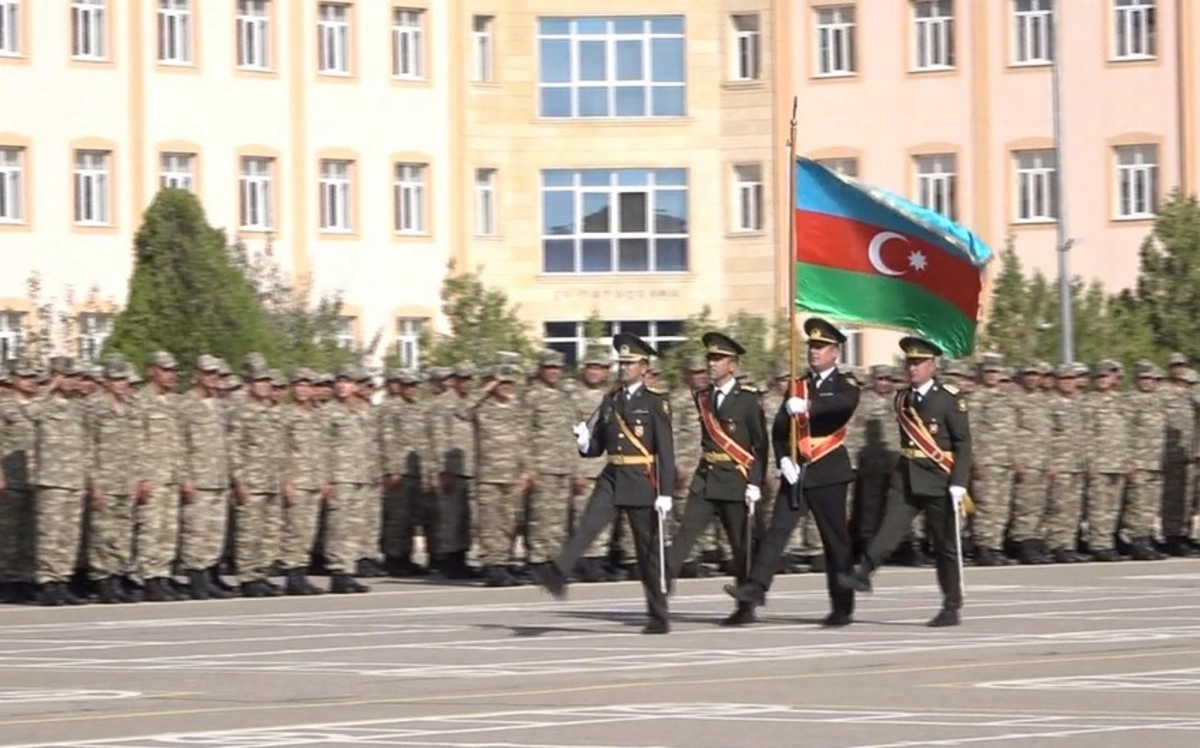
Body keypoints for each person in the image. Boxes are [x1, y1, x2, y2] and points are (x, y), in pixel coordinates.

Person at [533, 333, 676, 634]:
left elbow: (665, 450)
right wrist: (584, 442)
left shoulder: (655, 403)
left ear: (644, 367)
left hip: (641, 480)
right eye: (621, 362)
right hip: (612, 476)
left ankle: (658, 613)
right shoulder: (610, 400)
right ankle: (558, 574)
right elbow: (598, 446)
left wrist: (665, 492)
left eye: (630, 363)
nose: (624, 368)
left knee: (647, 552)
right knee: (587, 524)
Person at [725, 318, 860, 626]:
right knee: (777, 532)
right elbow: (779, 430)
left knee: (834, 541)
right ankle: (755, 589)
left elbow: (844, 406)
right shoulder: (798, 385)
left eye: (821, 346)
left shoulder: (845, 383)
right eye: (811, 346)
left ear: (835, 352)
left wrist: (809, 407)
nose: (814, 352)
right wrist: (783, 459)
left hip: (828, 472)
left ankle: (842, 606)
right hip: (798, 472)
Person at [837, 336, 972, 628]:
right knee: (889, 529)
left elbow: (963, 444)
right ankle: (864, 572)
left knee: (945, 546)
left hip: (940, 479)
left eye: (918, 363)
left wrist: (959, 482)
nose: (912, 368)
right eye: (910, 363)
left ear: (932, 366)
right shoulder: (902, 399)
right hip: (908, 478)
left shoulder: (949, 399)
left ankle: (951, 604)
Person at [665, 332, 768, 626]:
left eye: (718, 359)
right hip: (706, 478)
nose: (712, 364)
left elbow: (759, 445)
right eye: (710, 358)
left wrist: (755, 482)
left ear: (732, 365)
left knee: (740, 546)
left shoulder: (748, 400)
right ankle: (661, 586)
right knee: (686, 534)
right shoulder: (703, 397)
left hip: (736, 479)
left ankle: (745, 607)